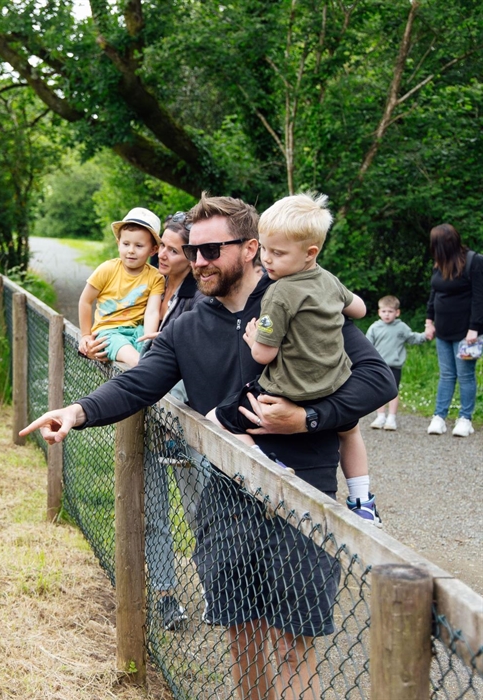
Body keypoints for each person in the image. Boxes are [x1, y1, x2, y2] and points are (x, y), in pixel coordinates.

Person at [21, 193, 396, 700]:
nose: (198, 262)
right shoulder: (188, 326)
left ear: (250, 249)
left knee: (293, 643)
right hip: (224, 495)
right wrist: (76, 411)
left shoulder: (300, 298)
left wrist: (308, 418)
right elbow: (139, 384)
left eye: (211, 250)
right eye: (192, 251)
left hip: (304, 494)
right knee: (243, 638)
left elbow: (377, 378)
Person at [204, 193, 379, 525]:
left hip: (290, 391)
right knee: (350, 430)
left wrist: (254, 338)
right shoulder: (329, 281)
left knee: (216, 418)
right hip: (334, 387)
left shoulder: (278, 293)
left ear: (310, 252)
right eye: (266, 250)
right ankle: (361, 499)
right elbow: (359, 309)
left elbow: (264, 354)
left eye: (278, 253)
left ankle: (267, 467)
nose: (267, 260)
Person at [141, 211, 208, 631]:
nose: (161, 253)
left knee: (198, 507)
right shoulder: (144, 284)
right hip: (144, 415)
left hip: (184, 421)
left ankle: (213, 586)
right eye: (160, 245)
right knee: (154, 512)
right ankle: (166, 594)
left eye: (171, 248)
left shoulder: (200, 299)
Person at [77, 208, 164, 367]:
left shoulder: (155, 277)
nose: (131, 250)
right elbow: (85, 300)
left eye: (139, 245)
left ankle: (145, 367)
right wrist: (85, 335)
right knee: (128, 351)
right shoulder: (107, 269)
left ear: (153, 250)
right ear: (118, 244)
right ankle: (142, 367)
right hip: (108, 332)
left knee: (149, 349)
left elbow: (152, 311)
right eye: (126, 244)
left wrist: (149, 338)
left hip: (136, 331)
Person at [424, 223, 483, 437]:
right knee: (446, 375)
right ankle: (439, 417)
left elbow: (479, 298)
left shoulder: (474, 261)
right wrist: (429, 322)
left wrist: (474, 329)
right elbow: (434, 294)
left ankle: (465, 418)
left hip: (466, 333)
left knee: (465, 376)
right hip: (443, 329)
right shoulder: (440, 263)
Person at [366, 295, 427, 431]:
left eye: (390, 311)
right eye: (384, 311)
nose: (387, 315)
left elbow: (412, 338)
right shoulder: (374, 328)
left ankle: (391, 418)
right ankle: (380, 416)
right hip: (379, 366)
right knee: (378, 391)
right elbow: (367, 345)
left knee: (393, 391)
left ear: (397, 312)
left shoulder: (401, 327)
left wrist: (425, 336)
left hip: (394, 366)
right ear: (379, 312)